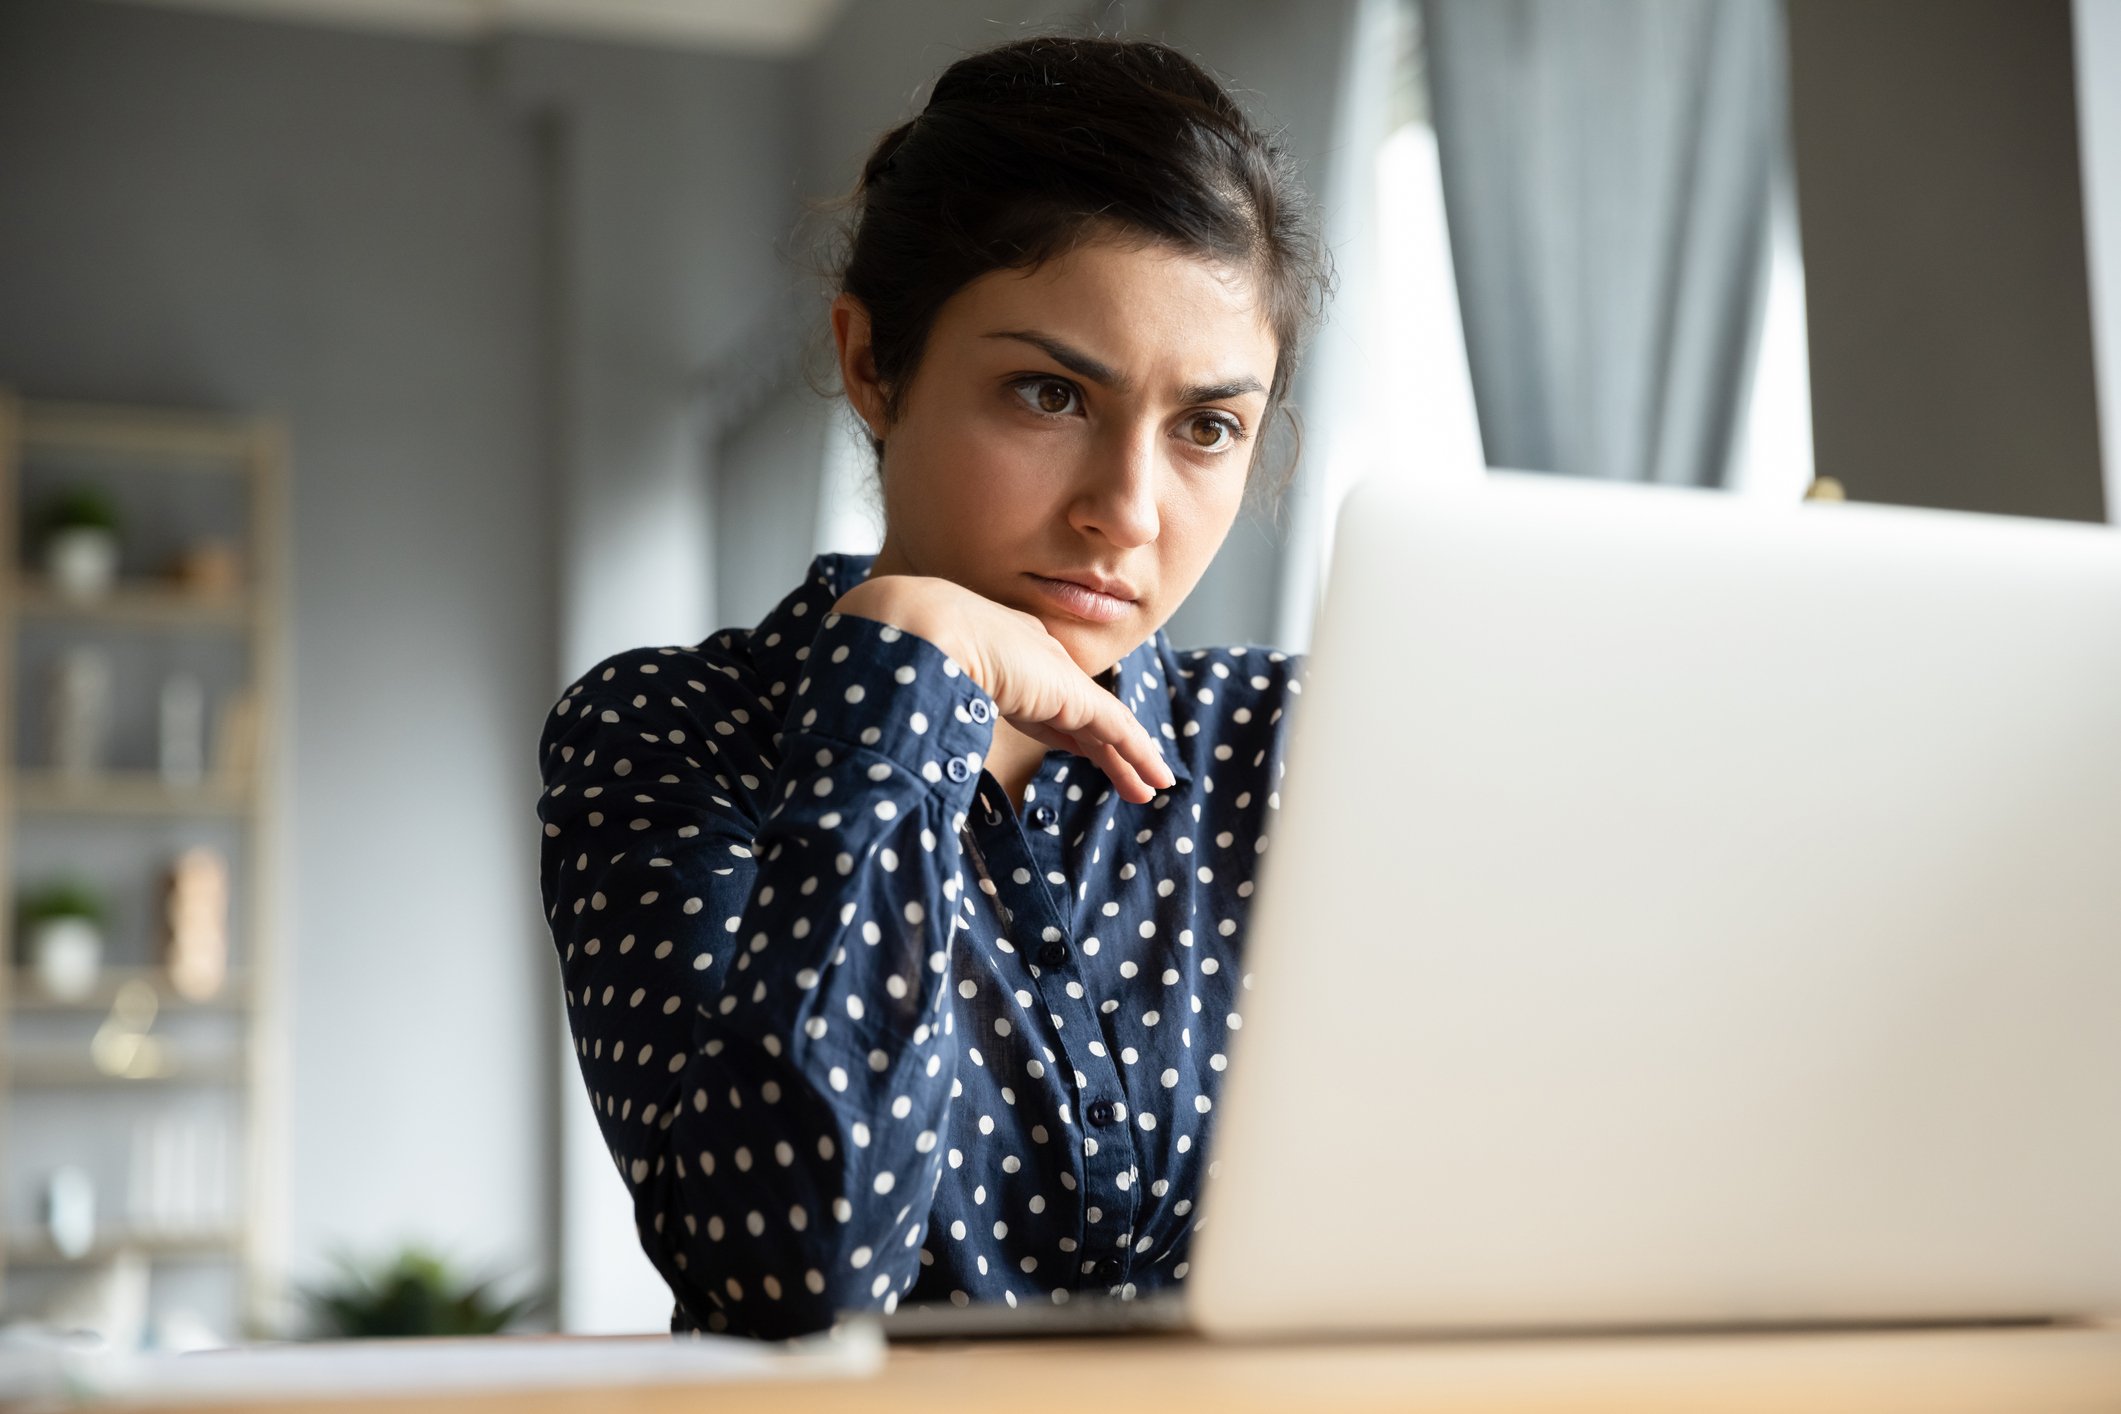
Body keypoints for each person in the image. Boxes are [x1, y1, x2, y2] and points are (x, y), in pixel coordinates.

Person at [536, 33, 1330, 1339]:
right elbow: (795, 1284)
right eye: (1048, 391)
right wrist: (900, 670)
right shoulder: (666, 737)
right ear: (871, 364)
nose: (1125, 513)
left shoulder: (1296, 747)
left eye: (1205, 427)